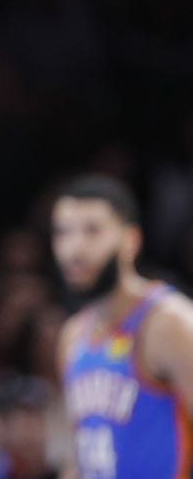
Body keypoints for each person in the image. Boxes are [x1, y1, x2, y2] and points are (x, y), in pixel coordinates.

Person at [51, 174, 193, 479]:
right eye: (63, 232)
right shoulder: (72, 335)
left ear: (131, 240)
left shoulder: (169, 322)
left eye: (92, 231)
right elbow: (84, 454)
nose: (74, 248)